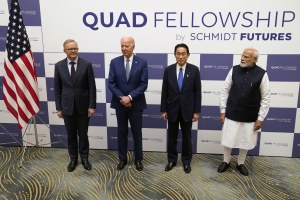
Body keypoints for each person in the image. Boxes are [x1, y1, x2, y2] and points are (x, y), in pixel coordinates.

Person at [218, 47, 271, 176]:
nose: (243, 58)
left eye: (246, 57)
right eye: (242, 55)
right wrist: (223, 110)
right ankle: (226, 161)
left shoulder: (262, 74)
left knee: (245, 140)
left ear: (255, 59)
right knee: (228, 138)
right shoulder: (234, 70)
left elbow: (266, 97)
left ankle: (241, 163)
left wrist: (260, 118)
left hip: (250, 115)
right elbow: (225, 90)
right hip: (232, 113)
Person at [54, 39, 96, 172]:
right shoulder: (59, 66)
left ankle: (84, 158)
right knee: (71, 135)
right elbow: (57, 89)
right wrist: (59, 108)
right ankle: (73, 159)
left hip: (83, 107)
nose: (73, 51)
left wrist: (92, 106)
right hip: (67, 108)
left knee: (83, 135)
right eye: (70, 49)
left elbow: (91, 87)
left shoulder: (86, 64)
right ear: (64, 51)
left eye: (75, 48)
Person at [108, 36, 148, 171]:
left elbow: (143, 84)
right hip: (120, 104)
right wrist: (122, 98)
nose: (124, 48)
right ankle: (122, 159)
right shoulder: (114, 62)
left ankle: (138, 159)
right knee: (122, 132)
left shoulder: (142, 62)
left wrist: (130, 98)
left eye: (127, 46)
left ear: (133, 47)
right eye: (122, 46)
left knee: (137, 133)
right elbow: (111, 83)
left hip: (136, 104)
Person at [160, 43, 202, 174]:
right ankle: (172, 160)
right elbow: (164, 91)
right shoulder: (168, 70)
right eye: (178, 53)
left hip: (187, 111)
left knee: (187, 137)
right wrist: (164, 110)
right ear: (174, 55)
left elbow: (197, 92)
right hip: (171, 109)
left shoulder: (194, 70)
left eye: (183, 54)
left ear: (188, 55)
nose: (180, 56)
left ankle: (186, 161)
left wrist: (196, 111)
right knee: (171, 137)